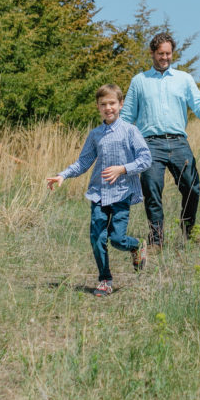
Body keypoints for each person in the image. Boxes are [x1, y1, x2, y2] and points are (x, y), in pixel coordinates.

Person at [46, 84, 151, 297]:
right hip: (99, 193)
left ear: (120, 104)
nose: (108, 108)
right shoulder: (95, 135)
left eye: (112, 103)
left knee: (116, 239)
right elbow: (84, 161)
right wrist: (62, 175)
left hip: (122, 193)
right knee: (96, 238)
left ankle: (136, 246)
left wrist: (123, 169)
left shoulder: (130, 131)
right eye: (103, 104)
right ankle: (105, 279)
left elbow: (145, 159)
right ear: (98, 107)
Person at [120, 32, 200, 251]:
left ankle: (188, 231)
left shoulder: (184, 79)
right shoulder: (139, 81)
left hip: (178, 142)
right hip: (149, 144)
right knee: (152, 191)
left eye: (168, 53)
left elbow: (199, 102)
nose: (165, 57)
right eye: (160, 53)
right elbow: (126, 116)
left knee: (192, 188)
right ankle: (156, 240)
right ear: (152, 53)